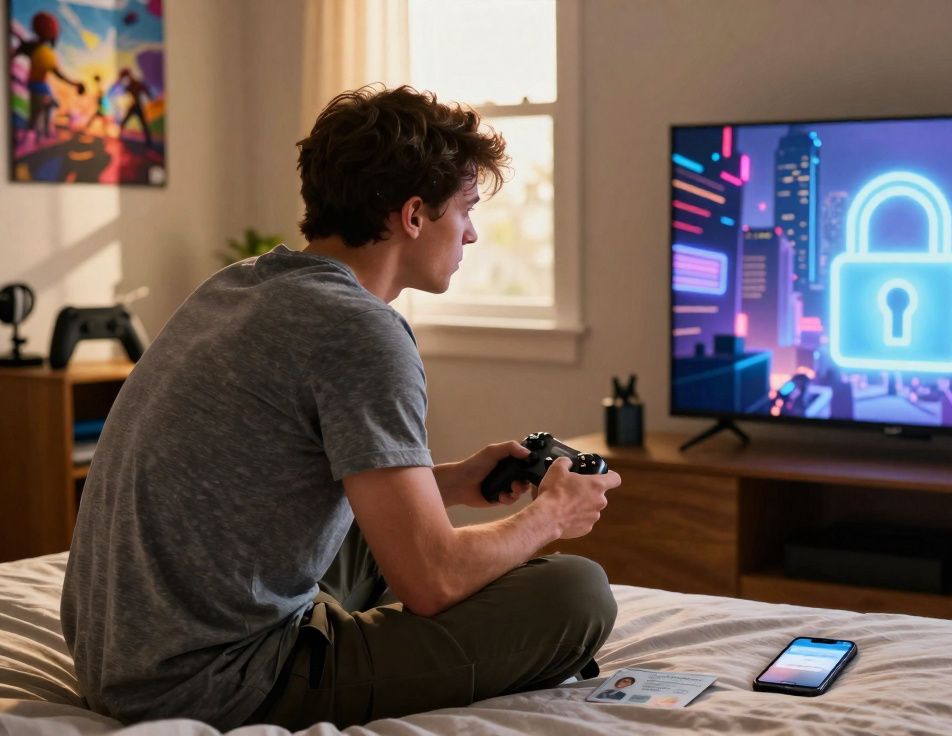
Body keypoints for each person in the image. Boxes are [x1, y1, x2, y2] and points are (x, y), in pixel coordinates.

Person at [61, 85, 622, 731]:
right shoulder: (361, 331)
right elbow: (430, 582)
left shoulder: (240, 285)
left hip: (117, 653)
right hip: (210, 680)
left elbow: (276, 483)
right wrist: (551, 514)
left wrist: (450, 482)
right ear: (413, 215)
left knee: (376, 527)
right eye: (465, 209)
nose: (471, 232)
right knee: (577, 594)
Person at [9, 11, 84, 143]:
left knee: (50, 106)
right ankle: (32, 138)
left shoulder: (46, 52)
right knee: (36, 115)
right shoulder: (33, 48)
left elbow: (58, 73)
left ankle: (42, 134)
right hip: (36, 87)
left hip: (44, 88)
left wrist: (74, 83)